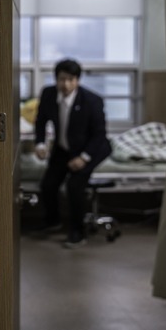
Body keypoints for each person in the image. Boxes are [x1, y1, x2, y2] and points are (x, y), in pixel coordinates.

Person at [34, 58, 111, 249]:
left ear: (77, 80)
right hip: (63, 147)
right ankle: (53, 221)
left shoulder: (92, 101)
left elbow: (99, 135)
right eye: (62, 79)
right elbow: (40, 121)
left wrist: (83, 158)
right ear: (56, 79)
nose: (66, 84)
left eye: (71, 79)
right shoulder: (48, 94)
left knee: (74, 186)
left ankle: (78, 231)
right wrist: (40, 144)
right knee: (48, 185)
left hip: (91, 149)